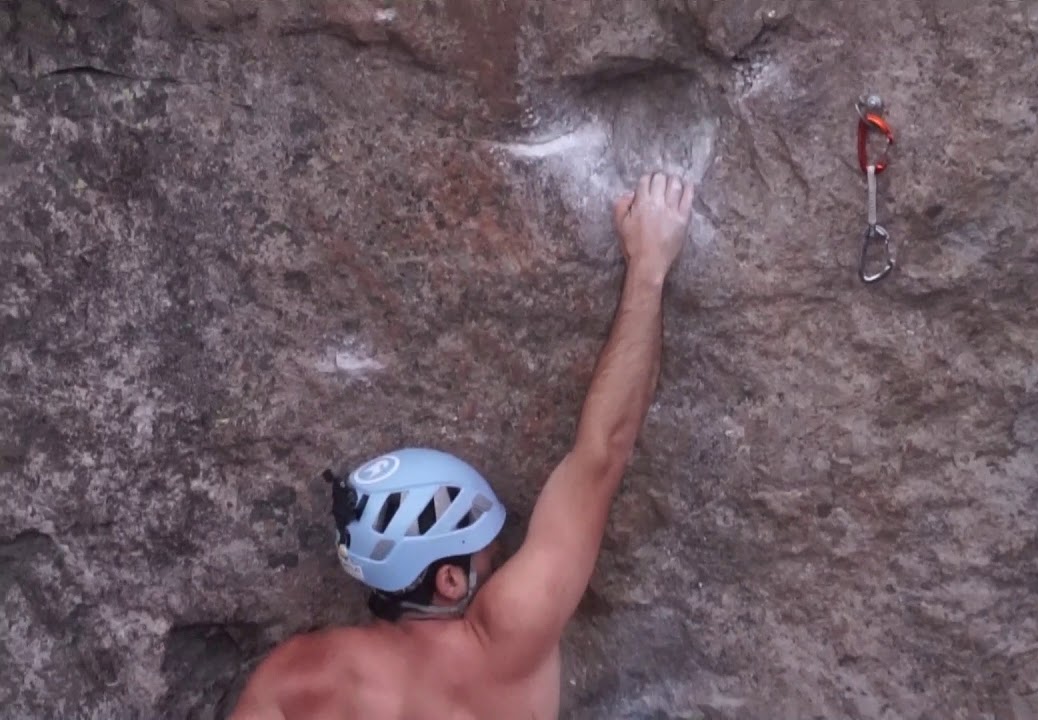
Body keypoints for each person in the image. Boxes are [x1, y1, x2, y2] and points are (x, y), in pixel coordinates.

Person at [228, 171, 695, 720]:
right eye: (487, 552)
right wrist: (648, 269)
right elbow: (602, 454)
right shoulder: (505, 642)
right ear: (450, 581)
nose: (498, 558)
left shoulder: (295, 678)